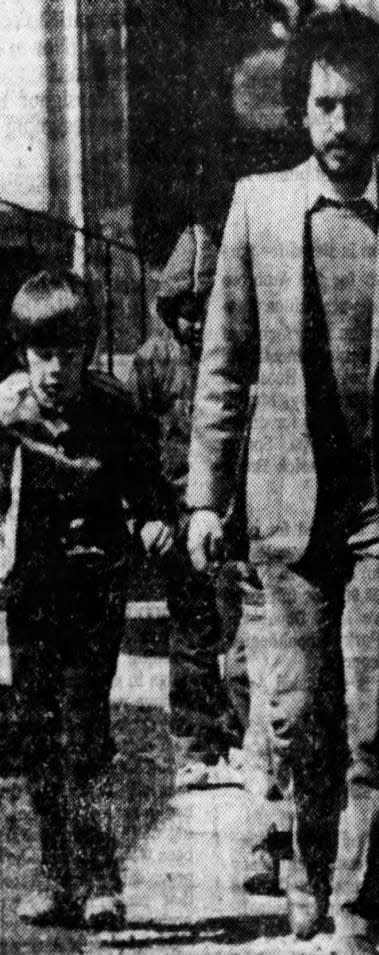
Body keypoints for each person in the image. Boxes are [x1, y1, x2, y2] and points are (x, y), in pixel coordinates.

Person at [185, 8, 379, 954]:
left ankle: (358, 914)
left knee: (374, 725)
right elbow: (224, 364)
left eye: (356, 107)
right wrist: (205, 495)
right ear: (300, 108)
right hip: (285, 509)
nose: (338, 126)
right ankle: (311, 874)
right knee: (301, 718)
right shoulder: (257, 208)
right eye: (322, 104)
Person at [0, 270, 173, 930]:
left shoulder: (113, 409)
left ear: (88, 351)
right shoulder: (7, 414)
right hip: (30, 595)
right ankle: (54, 873)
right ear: (23, 352)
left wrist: (154, 518)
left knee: (84, 733)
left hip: (94, 593)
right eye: (42, 354)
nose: (54, 369)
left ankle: (100, 874)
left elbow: (147, 481)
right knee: (36, 735)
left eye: (68, 354)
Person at [128, 225, 251, 789]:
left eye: (207, 308)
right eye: (184, 309)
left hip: (237, 517)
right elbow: (136, 449)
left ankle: (246, 736)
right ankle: (194, 743)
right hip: (178, 519)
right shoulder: (153, 363)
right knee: (192, 631)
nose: (196, 323)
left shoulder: (244, 361)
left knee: (243, 633)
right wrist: (150, 513)